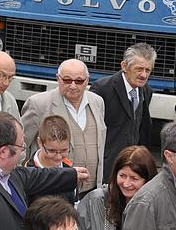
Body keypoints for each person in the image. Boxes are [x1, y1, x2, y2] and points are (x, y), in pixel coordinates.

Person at [21, 58, 107, 194]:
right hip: (52, 189)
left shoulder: (97, 102)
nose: (73, 85)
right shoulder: (38, 104)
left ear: (87, 80)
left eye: (79, 81)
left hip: (91, 190)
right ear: (58, 78)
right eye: (67, 80)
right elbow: (22, 145)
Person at [90, 43, 155, 183]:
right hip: (106, 168)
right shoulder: (102, 89)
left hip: (133, 169)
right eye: (139, 69)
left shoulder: (146, 91)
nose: (144, 75)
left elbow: (141, 129)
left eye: (148, 70)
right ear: (124, 66)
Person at [24, 114, 78, 204]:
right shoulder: (28, 173)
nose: (58, 157)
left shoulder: (69, 168)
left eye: (64, 150)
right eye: (52, 151)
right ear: (40, 142)